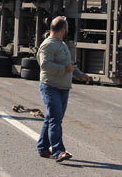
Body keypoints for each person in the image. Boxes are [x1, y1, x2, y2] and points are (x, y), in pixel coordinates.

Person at [36, 16, 89, 162]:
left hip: (63, 88)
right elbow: (45, 65)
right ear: (63, 29)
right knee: (55, 119)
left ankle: (42, 147)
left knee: (51, 118)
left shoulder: (62, 44)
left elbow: (69, 65)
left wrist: (80, 75)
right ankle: (59, 151)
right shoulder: (48, 45)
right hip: (50, 87)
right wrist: (64, 69)